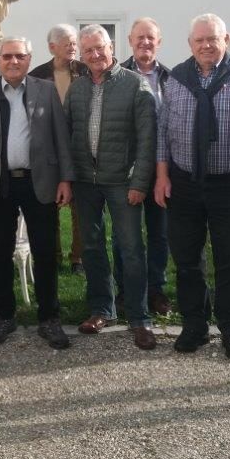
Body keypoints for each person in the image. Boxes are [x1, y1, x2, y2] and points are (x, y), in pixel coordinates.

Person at [154, 14, 230, 361]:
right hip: (183, 183)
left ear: (226, 40)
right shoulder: (176, 79)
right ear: (190, 44)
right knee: (187, 259)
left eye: (213, 39)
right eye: (199, 41)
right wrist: (162, 176)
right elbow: (163, 132)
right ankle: (194, 325)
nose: (206, 46)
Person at [0, 37, 74, 349]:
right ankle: (3, 315)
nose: (13, 62)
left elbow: (61, 138)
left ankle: (49, 317)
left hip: (39, 181)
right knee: (0, 251)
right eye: (7, 56)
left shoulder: (46, 90)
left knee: (44, 250)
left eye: (20, 56)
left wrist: (65, 179)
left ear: (29, 59)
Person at [64, 25, 158, 350]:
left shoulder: (135, 85)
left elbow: (148, 141)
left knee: (131, 249)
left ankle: (139, 317)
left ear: (111, 46)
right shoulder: (76, 90)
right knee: (91, 248)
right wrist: (68, 178)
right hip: (86, 183)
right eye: (87, 50)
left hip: (123, 182)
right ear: (81, 52)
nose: (94, 55)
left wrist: (140, 182)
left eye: (99, 48)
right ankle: (102, 309)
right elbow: (66, 136)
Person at [118, 17, 172, 316]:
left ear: (158, 42)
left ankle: (156, 290)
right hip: (126, 167)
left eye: (150, 38)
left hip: (161, 167)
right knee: (126, 234)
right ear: (130, 41)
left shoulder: (170, 77)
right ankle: (125, 290)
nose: (145, 43)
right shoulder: (119, 75)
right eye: (140, 38)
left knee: (159, 233)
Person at [30, 23, 87, 274]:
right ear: (53, 47)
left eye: (75, 43)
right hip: (50, 147)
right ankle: (53, 255)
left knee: (81, 205)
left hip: (81, 145)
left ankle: (79, 258)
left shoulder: (85, 72)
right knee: (49, 204)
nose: (73, 47)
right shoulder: (38, 75)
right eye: (67, 44)